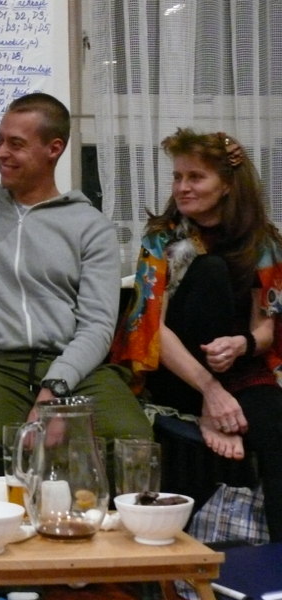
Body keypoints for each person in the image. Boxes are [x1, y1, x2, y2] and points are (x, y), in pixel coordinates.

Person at [0, 92, 152, 487]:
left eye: (16, 144)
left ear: (54, 149)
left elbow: (98, 326)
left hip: (77, 363)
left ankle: (94, 524)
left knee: (129, 438)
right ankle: (0, 524)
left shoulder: (91, 227)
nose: (1, 153)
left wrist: (54, 389)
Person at [112, 127, 282, 540]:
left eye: (195, 177)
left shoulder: (262, 240)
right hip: (178, 369)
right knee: (211, 271)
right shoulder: (162, 237)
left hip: (239, 367)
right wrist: (210, 390)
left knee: (276, 426)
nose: (182, 187)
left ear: (227, 185)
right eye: (177, 177)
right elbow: (150, 328)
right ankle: (210, 410)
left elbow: (266, 329)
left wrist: (243, 343)